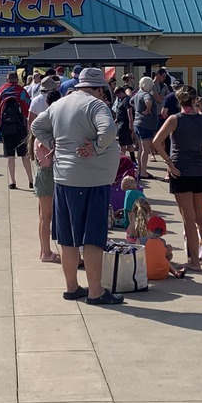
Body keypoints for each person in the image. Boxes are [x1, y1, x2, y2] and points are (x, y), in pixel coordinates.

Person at [30, 67, 124, 306]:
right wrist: (96, 147)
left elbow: (36, 127)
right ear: (100, 89)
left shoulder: (60, 103)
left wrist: (54, 143)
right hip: (92, 180)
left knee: (68, 237)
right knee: (92, 237)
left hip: (64, 179)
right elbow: (109, 130)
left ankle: (72, 287)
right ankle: (95, 292)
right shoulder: (96, 105)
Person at [152, 85, 202, 272]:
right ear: (196, 100)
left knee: (188, 218)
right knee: (200, 216)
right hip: (199, 171)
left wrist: (169, 162)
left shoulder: (175, 119)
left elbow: (157, 141)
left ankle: (194, 261)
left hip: (180, 170)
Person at [0, 71, 32, 190]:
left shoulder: (1, 91)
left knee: (10, 156)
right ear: (17, 79)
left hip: (7, 128)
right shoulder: (21, 91)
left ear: (7, 79)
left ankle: (13, 182)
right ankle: (30, 180)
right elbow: (28, 106)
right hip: (20, 128)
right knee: (24, 155)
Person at [28, 130, 61, 263]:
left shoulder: (39, 138)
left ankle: (44, 251)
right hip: (47, 176)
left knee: (43, 217)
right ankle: (46, 252)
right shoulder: (42, 140)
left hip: (44, 176)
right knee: (46, 217)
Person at [132, 76, 159, 179]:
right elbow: (148, 101)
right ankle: (143, 172)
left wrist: (138, 110)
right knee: (145, 150)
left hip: (137, 124)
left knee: (140, 149)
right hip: (145, 125)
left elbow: (130, 102)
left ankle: (140, 170)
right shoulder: (146, 94)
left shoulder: (137, 94)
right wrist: (148, 110)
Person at [112, 83, 136, 164]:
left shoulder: (126, 100)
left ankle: (122, 159)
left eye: (118, 95)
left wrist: (131, 123)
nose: (118, 97)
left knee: (123, 143)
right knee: (128, 142)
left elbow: (129, 111)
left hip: (124, 124)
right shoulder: (122, 100)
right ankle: (132, 159)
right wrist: (116, 120)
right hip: (121, 122)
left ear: (122, 93)